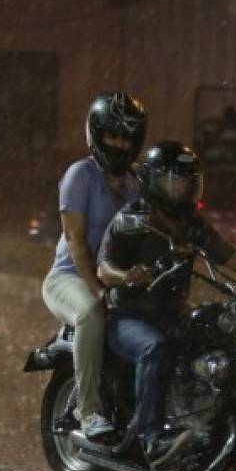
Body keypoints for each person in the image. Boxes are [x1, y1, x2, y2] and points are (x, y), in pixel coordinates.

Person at [96, 141, 236, 463]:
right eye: (174, 181)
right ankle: (150, 438)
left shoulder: (191, 226)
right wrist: (128, 275)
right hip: (128, 316)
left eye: (188, 181)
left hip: (170, 312)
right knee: (153, 347)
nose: (182, 189)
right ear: (152, 182)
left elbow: (230, 256)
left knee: (218, 337)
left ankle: (208, 421)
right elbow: (103, 268)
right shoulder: (130, 221)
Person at [41, 92, 147, 438]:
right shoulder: (80, 175)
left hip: (116, 278)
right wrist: (98, 289)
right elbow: (75, 240)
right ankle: (89, 413)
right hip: (69, 277)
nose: (120, 144)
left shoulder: (136, 184)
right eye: (112, 135)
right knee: (91, 313)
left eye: (127, 137)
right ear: (96, 134)